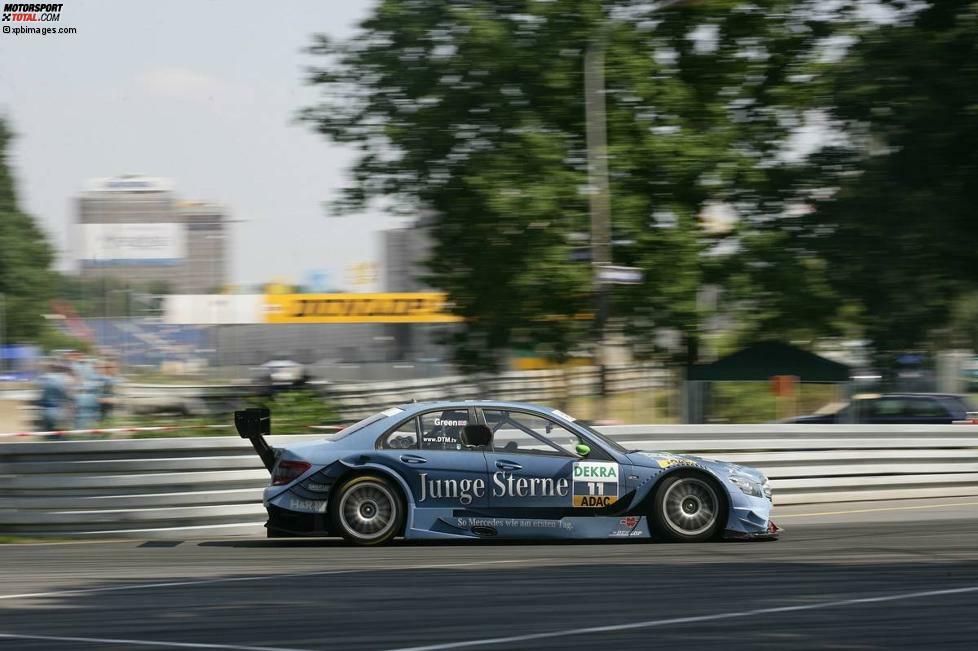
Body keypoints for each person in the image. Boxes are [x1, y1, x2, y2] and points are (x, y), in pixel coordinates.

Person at [37, 361, 71, 433]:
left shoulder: (43, 379)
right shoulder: (64, 379)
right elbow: (66, 395)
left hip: (46, 410)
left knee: (48, 433)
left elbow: (41, 395)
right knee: (61, 434)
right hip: (60, 411)